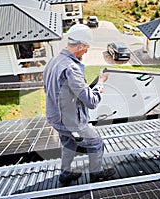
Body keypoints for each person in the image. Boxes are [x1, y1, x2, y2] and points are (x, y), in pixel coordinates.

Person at [43, 24, 116, 184]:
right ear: (81, 45)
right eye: (86, 48)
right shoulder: (71, 68)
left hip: (56, 118)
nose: (87, 51)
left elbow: (49, 89)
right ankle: (96, 173)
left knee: (68, 144)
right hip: (71, 122)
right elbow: (91, 101)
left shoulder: (53, 61)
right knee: (96, 143)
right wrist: (101, 83)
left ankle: (65, 173)